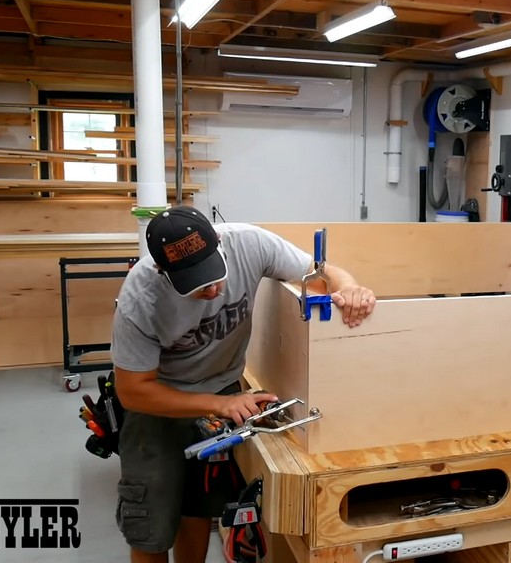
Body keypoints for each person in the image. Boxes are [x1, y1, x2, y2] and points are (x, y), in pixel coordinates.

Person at [109, 206, 375, 563]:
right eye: (197, 284)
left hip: (220, 390)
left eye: (213, 274)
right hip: (158, 404)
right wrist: (218, 405)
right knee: (151, 523)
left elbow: (320, 272)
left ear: (219, 242)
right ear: (162, 271)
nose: (213, 289)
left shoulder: (250, 243)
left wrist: (347, 286)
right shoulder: (141, 299)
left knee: (198, 507)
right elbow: (133, 390)